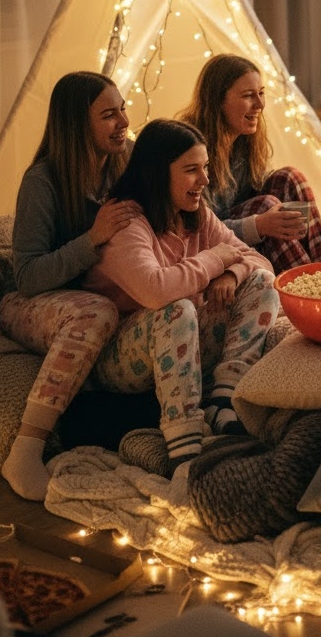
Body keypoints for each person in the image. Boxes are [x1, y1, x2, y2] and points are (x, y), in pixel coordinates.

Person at [83, 119, 279, 476]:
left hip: (182, 341)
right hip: (119, 355)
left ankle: (224, 400)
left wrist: (231, 274)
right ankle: (184, 446)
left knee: (261, 281)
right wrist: (213, 260)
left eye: (204, 168)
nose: (205, 180)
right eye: (191, 170)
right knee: (176, 309)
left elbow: (257, 259)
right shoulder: (126, 222)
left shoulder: (196, 213)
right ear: (157, 174)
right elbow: (155, 290)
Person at [0, 71, 137, 500]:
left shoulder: (126, 162)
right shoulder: (42, 182)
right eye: (109, 115)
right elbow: (28, 276)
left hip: (96, 296)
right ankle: (25, 449)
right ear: (78, 125)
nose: (124, 122)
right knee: (98, 312)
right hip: (33, 301)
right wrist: (92, 239)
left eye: (123, 110)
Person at [179, 54, 321, 272]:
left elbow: (255, 189)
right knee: (267, 205)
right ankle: (309, 287)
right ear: (218, 100)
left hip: (238, 231)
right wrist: (259, 224)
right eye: (248, 96)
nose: (260, 104)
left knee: (290, 178)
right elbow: (196, 230)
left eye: (261, 93)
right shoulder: (191, 147)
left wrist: (283, 218)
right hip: (205, 244)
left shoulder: (244, 140)